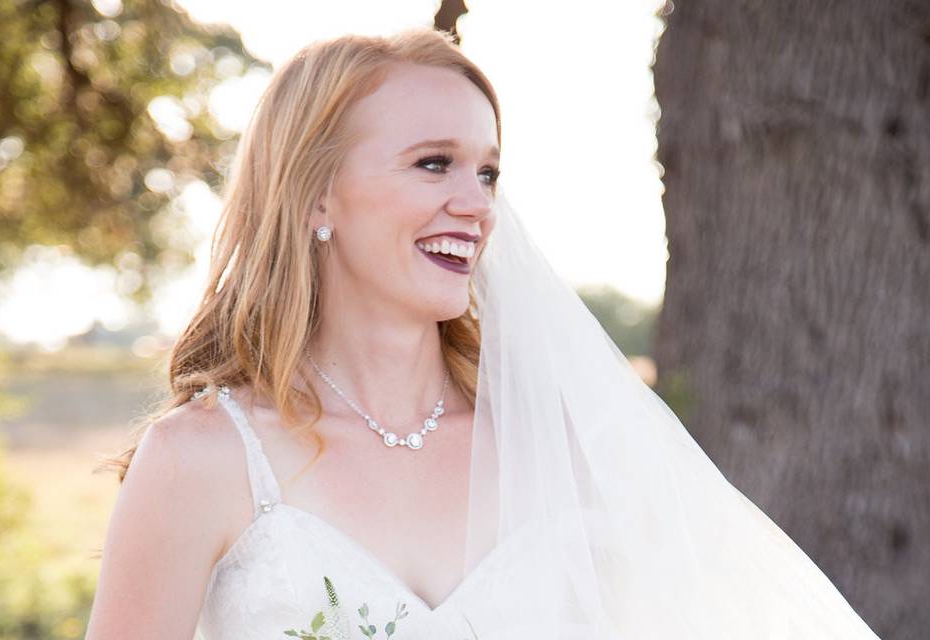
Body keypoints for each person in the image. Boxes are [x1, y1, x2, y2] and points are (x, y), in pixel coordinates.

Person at [86, 27, 883, 640]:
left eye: (488, 172)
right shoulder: (202, 461)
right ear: (314, 199)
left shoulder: (562, 450)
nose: (476, 204)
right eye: (434, 164)